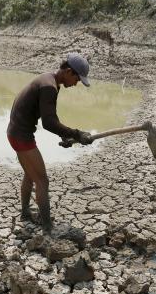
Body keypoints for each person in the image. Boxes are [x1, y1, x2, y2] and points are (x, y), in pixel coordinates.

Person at [7, 53, 93, 231]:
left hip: (16, 132)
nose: (76, 84)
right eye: (77, 79)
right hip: (21, 136)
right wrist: (77, 134)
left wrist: (64, 136)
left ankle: (25, 214)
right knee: (43, 181)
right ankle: (47, 228)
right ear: (69, 71)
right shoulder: (49, 87)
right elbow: (49, 123)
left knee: (31, 175)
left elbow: (50, 117)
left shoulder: (49, 80)